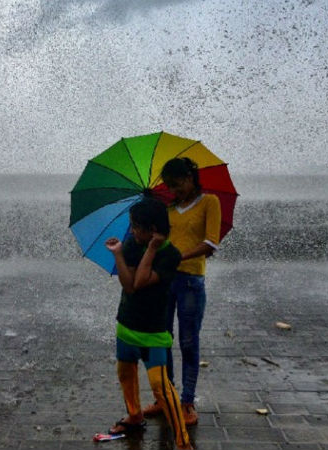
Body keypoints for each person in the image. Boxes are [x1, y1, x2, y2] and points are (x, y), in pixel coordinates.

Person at [104, 196, 193, 450]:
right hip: (126, 324)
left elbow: (141, 281)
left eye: (136, 226)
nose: (132, 230)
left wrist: (152, 249)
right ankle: (134, 415)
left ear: (153, 230)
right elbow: (128, 285)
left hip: (153, 332)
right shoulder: (131, 244)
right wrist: (119, 254)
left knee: (161, 387)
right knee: (125, 374)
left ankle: (183, 442)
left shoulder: (171, 255)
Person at [143, 157, 221, 426]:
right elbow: (159, 241)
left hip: (190, 281)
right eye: (170, 187)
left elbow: (211, 243)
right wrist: (150, 207)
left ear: (190, 178)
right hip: (165, 281)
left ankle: (187, 402)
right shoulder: (170, 209)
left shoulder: (210, 202)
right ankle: (166, 396)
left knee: (188, 343)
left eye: (177, 185)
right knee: (162, 339)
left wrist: (180, 256)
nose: (174, 191)